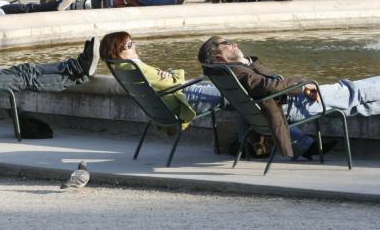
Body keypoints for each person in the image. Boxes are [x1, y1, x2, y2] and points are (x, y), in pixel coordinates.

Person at [100, 31, 323, 160]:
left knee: (249, 98)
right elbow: (172, 81)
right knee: (246, 97)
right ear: (117, 51)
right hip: (188, 97)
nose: (134, 45)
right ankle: (290, 142)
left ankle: (261, 142)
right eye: (129, 44)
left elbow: (164, 82)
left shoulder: (125, 69)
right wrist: (175, 74)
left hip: (174, 101)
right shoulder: (136, 66)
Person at [196, 36, 380, 158]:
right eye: (227, 42)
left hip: (287, 103)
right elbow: (269, 85)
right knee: (353, 91)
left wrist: (246, 61)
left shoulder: (228, 72)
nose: (233, 43)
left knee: (357, 105)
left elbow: (270, 79)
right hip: (296, 103)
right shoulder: (237, 72)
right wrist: (302, 85)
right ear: (218, 55)